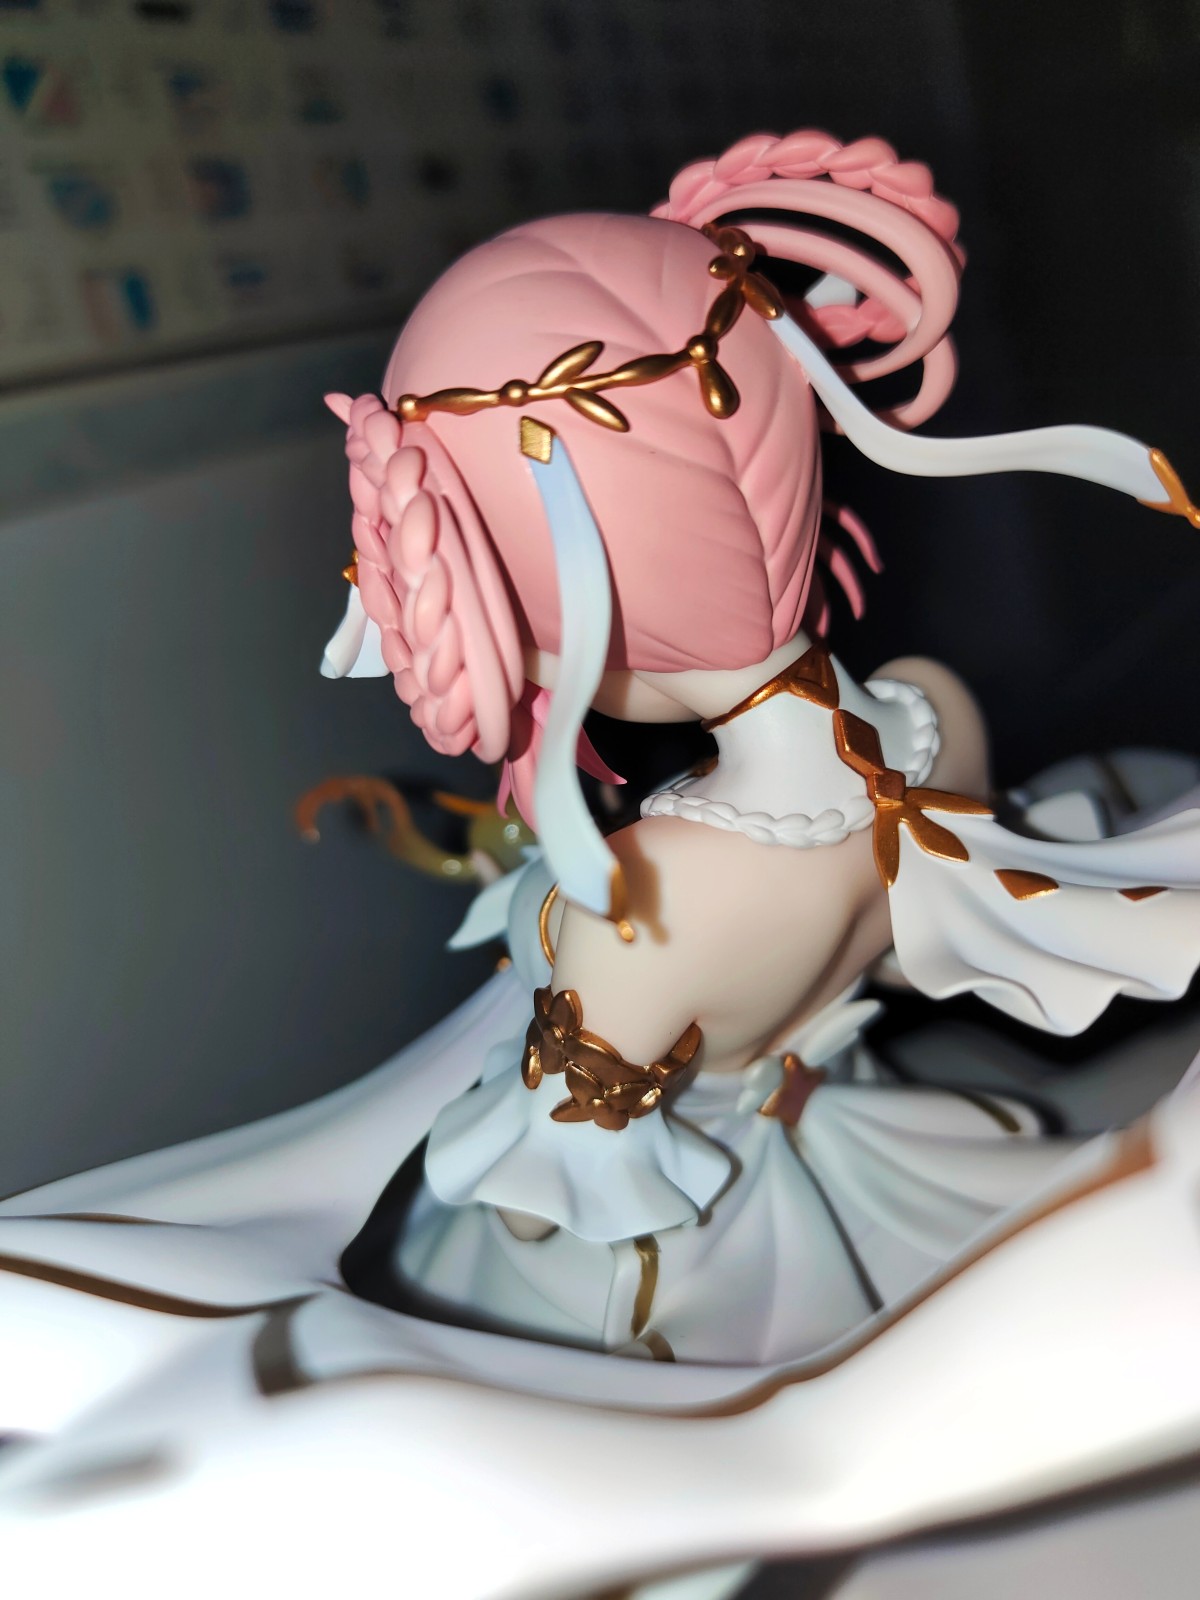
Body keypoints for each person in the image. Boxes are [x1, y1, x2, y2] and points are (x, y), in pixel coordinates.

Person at [313, 130, 1200, 1364]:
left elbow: (543, 1199)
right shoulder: (931, 711)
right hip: (852, 1135)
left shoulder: (648, 900)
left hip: (687, 1278)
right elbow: (905, 966)